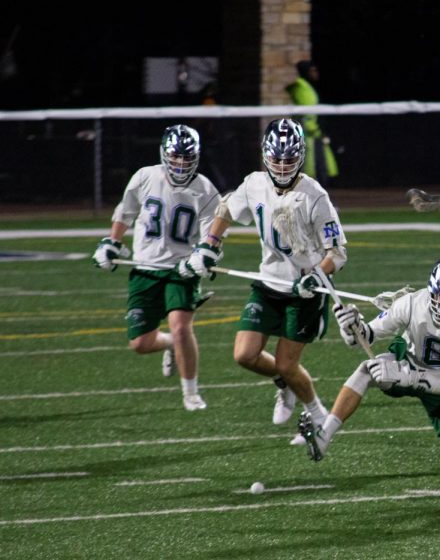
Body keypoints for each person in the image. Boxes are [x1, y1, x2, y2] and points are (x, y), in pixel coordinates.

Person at [178, 117, 344, 431]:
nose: (282, 167)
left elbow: (337, 253)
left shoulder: (315, 195)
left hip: (304, 290)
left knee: (286, 362)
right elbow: (226, 209)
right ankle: (284, 385)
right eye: (276, 159)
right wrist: (209, 245)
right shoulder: (255, 183)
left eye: (289, 160)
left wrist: (316, 277)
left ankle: (317, 413)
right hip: (269, 282)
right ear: (265, 156)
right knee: (244, 354)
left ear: (300, 158)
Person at [297, 251, 440, 471]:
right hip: (409, 360)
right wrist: (352, 327)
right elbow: (367, 335)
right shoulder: (414, 302)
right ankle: (323, 436)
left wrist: (404, 375)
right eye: (436, 294)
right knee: (367, 370)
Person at [92, 124, 218, 411]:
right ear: (164, 154)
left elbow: (213, 234)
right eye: (176, 157)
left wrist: (207, 254)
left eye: (187, 158)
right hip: (145, 268)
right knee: (140, 343)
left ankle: (191, 393)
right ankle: (171, 344)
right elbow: (126, 212)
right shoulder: (145, 177)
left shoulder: (205, 190)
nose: (181, 164)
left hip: (180, 270)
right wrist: (112, 242)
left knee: (181, 326)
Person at [285, 60, 338, 184]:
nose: (316, 73)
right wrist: (314, 129)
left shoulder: (309, 87)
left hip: (314, 133)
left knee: (320, 169)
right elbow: (307, 114)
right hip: (309, 134)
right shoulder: (301, 87)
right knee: (311, 169)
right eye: (313, 71)